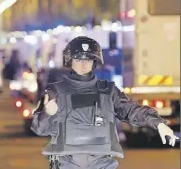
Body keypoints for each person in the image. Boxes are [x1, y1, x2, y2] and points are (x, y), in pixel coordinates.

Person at [31, 36, 178, 169]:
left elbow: (131, 110)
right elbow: (39, 129)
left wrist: (158, 123)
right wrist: (47, 114)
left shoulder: (108, 91)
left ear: (94, 62)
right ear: (70, 61)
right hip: (67, 164)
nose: (84, 65)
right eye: (78, 59)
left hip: (102, 164)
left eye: (88, 60)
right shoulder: (56, 92)